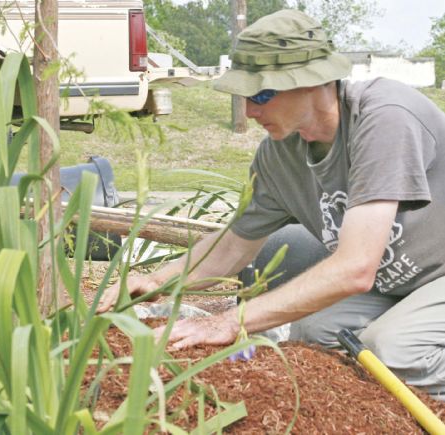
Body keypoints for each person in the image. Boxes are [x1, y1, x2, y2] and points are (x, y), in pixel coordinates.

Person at [97, 9, 445, 400]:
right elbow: (231, 248)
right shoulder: (279, 156)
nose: (249, 111)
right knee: (314, 334)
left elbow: (355, 269)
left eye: (261, 95)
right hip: (399, 284)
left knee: (392, 351)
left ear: (312, 83)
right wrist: (159, 280)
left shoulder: (384, 117)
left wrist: (228, 322)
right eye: (244, 97)